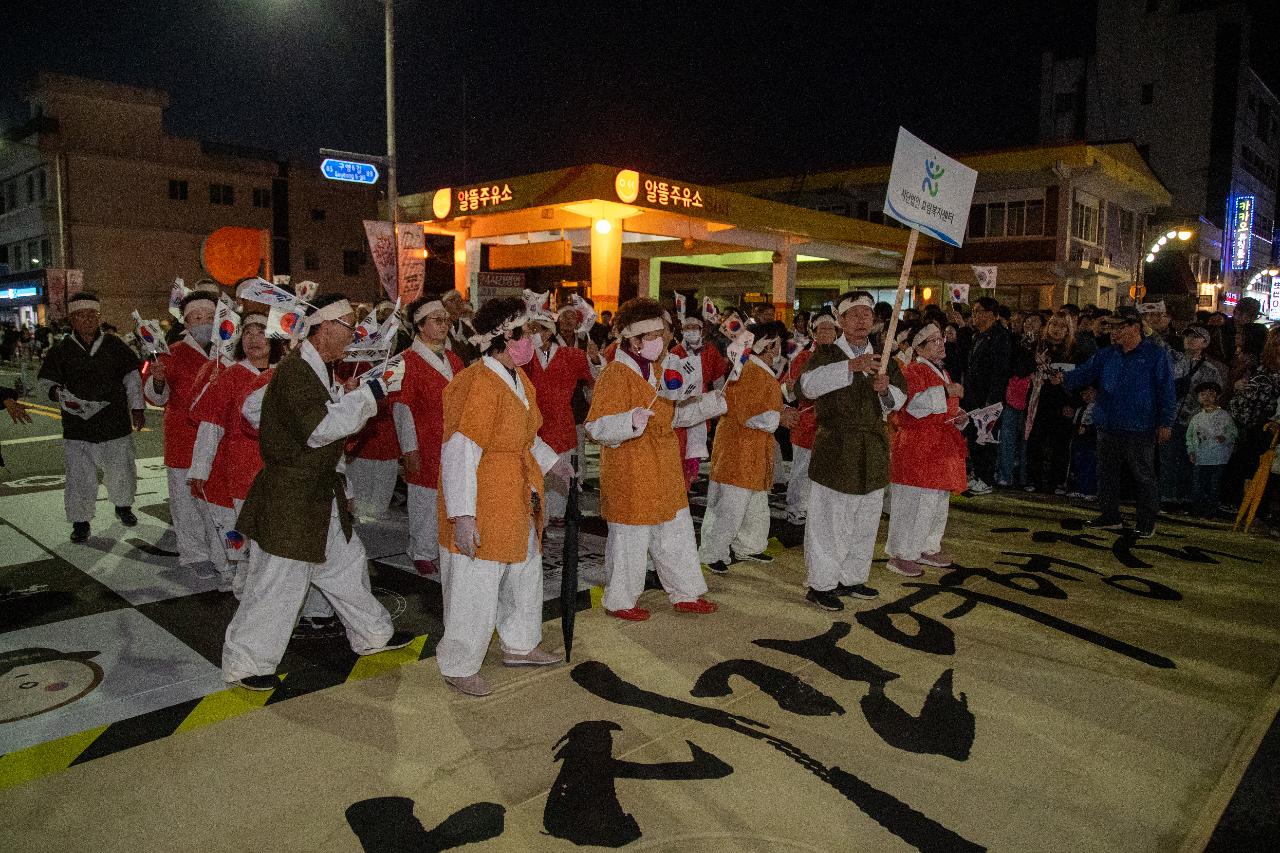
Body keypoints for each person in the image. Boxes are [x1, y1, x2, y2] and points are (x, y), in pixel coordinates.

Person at [222, 293, 413, 691]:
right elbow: (318, 429)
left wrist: (351, 395)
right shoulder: (296, 372)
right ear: (324, 328)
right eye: (348, 326)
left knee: (345, 566)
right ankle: (245, 663)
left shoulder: (314, 370)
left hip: (316, 495)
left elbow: (280, 414)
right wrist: (370, 395)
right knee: (275, 582)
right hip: (292, 498)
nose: (354, 334)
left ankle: (373, 634)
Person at [435, 296, 573, 696]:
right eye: (522, 331)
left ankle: (520, 643)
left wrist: (552, 463)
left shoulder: (517, 378)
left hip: (517, 489)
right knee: (474, 583)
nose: (529, 339)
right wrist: (462, 515)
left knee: (524, 570)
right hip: (484, 494)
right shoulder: (477, 383)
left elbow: (525, 436)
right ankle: (459, 664)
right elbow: (460, 450)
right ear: (501, 337)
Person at [585, 297, 724, 621]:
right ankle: (619, 600)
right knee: (629, 541)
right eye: (653, 337)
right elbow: (595, 426)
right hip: (630, 470)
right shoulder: (616, 375)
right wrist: (629, 421)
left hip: (663, 467)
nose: (661, 342)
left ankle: (686, 593)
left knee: (676, 533)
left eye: (662, 335)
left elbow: (674, 415)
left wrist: (715, 401)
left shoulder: (662, 370)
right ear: (633, 340)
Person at [795, 291, 906, 612]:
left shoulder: (886, 358)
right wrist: (850, 367)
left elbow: (899, 400)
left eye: (866, 315)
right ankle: (821, 584)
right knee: (830, 519)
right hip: (836, 447)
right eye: (853, 315)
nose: (861, 321)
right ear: (841, 321)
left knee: (866, 518)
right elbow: (806, 387)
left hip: (872, 446)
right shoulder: (827, 354)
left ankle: (853, 577)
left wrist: (886, 391)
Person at [37, 292, 145, 542]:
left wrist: (137, 408)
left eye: (92, 315)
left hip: (115, 422)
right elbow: (45, 383)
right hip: (78, 427)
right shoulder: (61, 350)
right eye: (80, 316)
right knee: (79, 477)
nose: (87, 320)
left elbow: (132, 377)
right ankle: (80, 520)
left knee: (121, 470)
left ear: (99, 317)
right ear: (71, 319)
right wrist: (58, 394)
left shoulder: (115, 344)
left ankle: (123, 506)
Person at [187, 313, 279, 593]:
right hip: (241, 468)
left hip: (277, 469)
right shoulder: (231, 375)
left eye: (261, 331)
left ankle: (263, 587)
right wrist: (200, 468)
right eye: (248, 332)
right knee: (241, 533)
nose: (253, 338)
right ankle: (244, 586)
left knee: (272, 535)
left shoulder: (285, 373)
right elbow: (210, 425)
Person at [1064, 307, 1176, 538]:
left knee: (1142, 474)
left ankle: (1146, 520)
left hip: (1140, 424)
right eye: (1112, 327)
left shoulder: (1155, 354)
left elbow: (1166, 389)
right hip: (1108, 422)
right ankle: (1109, 515)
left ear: (1135, 326)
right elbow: (1085, 373)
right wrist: (1062, 377)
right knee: (1106, 473)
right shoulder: (1107, 354)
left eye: (1119, 326)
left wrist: (1166, 422)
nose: (1114, 332)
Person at [698, 321, 794, 573]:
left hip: (753, 448)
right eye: (777, 343)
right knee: (729, 506)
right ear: (769, 345)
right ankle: (712, 552)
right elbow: (747, 413)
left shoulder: (758, 370)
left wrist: (781, 411)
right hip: (738, 448)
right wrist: (780, 417)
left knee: (755, 504)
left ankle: (749, 546)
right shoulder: (749, 371)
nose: (780, 348)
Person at [145, 291, 219, 573]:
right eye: (197, 318)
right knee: (185, 502)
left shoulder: (227, 352)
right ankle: (194, 554)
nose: (204, 323)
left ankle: (221, 551)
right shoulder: (171, 352)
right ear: (186, 323)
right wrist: (159, 379)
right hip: (183, 438)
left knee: (216, 502)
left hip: (218, 441)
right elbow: (156, 397)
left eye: (210, 318)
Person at [886, 325, 967, 574]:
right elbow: (910, 406)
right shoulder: (913, 371)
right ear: (918, 348)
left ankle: (927, 546)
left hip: (939, 444)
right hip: (917, 445)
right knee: (912, 502)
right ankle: (901, 552)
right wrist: (944, 392)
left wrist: (959, 415)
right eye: (932, 341)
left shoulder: (941, 372)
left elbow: (942, 408)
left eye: (940, 339)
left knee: (936, 501)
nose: (940, 344)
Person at [394, 296, 465, 576]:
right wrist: (409, 449)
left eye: (446, 319)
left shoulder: (454, 359)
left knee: (451, 494)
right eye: (437, 320)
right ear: (420, 326)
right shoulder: (407, 361)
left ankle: (444, 544)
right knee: (424, 497)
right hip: (424, 439)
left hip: (452, 439)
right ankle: (421, 550)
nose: (444, 325)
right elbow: (402, 409)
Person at [523, 308, 594, 525]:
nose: (532, 334)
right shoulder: (523, 356)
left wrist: (595, 357)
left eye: (537, 329)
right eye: (530, 329)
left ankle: (557, 514)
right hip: (532, 422)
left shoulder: (570, 355)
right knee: (533, 471)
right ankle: (536, 516)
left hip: (562, 421)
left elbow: (595, 376)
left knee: (560, 470)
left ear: (548, 332)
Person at [782, 309, 837, 540]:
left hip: (832, 424)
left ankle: (820, 509)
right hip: (807, 421)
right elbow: (792, 390)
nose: (827, 333)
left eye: (831, 329)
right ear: (813, 332)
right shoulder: (803, 358)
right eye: (822, 329)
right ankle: (796, 508)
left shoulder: (841, 357)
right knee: (803, 469)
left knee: (828, 470)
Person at [1162, 325, 1228, 508]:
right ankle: (1168, 496)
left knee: (1188, 459)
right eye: (1188, 335)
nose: (1190, 339)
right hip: (1172, 418)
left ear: (1205, 343)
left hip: (1195, 421)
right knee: (1169, 458)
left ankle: (1186, 497)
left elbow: (1215, 396)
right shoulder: (1173, 361)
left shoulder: (1210, 370)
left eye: (1196, 337)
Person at [1024, 313, 1088, 494]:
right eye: (1054, 325)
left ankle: (1057, 481)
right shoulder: (1039, 348)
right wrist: (1033, 362)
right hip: (1040, 403)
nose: (1057, 329)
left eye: (1062, 326)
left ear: (1068, 330)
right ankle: (1034, 480)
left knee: (1060, 444)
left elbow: (1082, 381)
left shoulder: (1076, 353)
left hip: (1063, 405)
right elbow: (1022, 368)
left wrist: (1074, 403)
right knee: (1036, 442)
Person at [961, 297, 1011, 495]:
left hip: (988, 398)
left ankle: (986, 478)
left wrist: (992, 401)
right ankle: (978, 474)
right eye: (973, 311)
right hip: (973, 397)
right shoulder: (977, 336)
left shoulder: (1000, 337)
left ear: (991, 314)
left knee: (985, 439)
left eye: (978, 311)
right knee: (974, 437)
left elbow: (1000, 372)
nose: (975, 315)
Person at [1185, 381, 1236, 518]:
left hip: (1218, 457)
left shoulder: (1224, 416)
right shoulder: (1196, 418)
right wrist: (1191, 450)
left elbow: (1233, 433)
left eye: (1211, 394)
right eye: (1203, 394)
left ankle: (1211, 510)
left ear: (1217, 396)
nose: (1207, 397)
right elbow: (1190, 436)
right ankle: (1197, 509)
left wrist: (1224, 437)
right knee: (1198, 484)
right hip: (1200, 456)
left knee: (1213, 484)